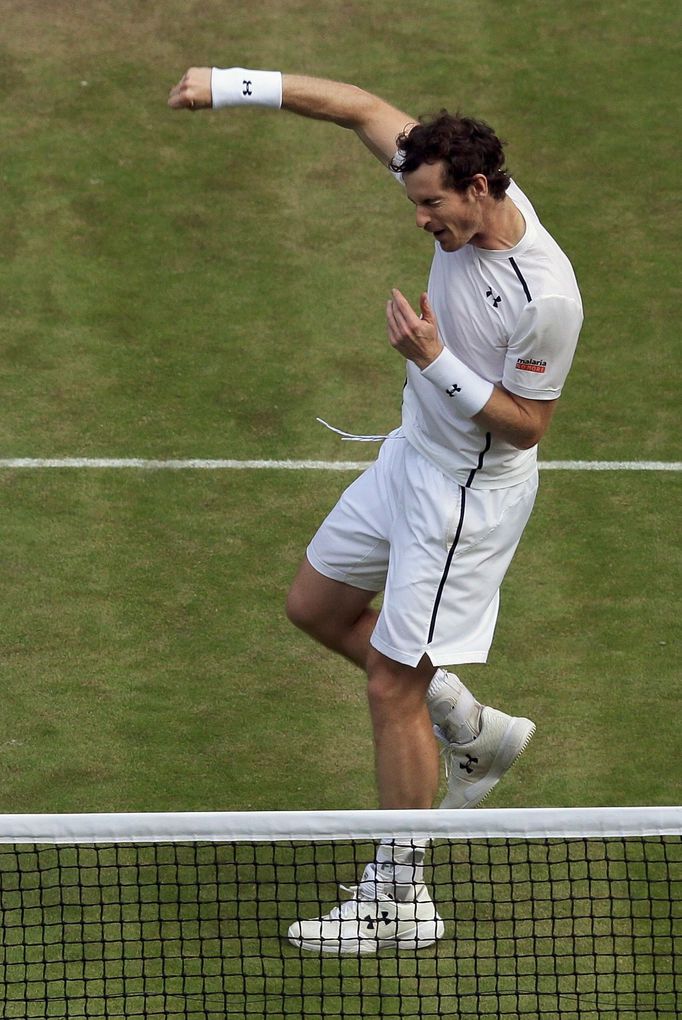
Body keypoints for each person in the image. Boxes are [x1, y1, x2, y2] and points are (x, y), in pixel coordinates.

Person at [168, 67, 583, 955]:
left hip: (463, 503)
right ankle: (468, 724)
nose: (421, 221)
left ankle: (401, 896)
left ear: (478, 188)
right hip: (409, 460)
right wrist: (229, 83)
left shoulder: (546, 297)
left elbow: (527, 428)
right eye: (415, 201)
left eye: (433, 207)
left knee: (393, 684)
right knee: (314, 607)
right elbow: (353, 105)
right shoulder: (446, 178)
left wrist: (435, 362)